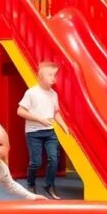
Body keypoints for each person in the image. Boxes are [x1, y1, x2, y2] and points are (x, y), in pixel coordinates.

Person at [17, 62, 68, 199]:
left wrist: (64, 126)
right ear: (40, 76)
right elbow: (20, 111)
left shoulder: (53, 94)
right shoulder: (32, 93)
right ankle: (30, 183)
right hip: (33, 133)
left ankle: (49, 185)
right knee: (36, 162)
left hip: (49, 132)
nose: (54, 78)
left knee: (54, 159)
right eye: (50, 75)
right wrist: (39, 119)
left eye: (55, 75)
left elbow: (56, 113)